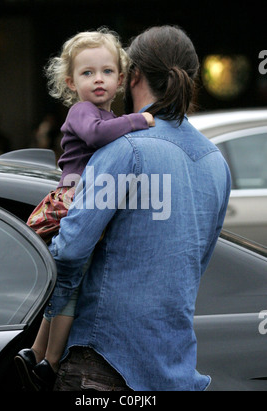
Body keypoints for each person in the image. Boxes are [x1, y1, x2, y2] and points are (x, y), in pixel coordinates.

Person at [42, 24, 232, 391]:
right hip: (175, 364)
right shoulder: (216, 162)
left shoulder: (123, 151)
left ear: (133, 77)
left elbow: (70, 251)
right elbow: (199, 259)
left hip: (105, 361)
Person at [14, 28, 154, 391]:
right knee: (71, 284)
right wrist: (140, 120)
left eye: (107, 72)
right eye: (87, 73)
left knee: (67, 282)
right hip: (73, 203)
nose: (98, 80)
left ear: (121, 79)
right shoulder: (84, 112)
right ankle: (51, 361)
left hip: (91, 203)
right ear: (70, 82)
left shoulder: (110, 120)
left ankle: (35, 351)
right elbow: (94, 136)